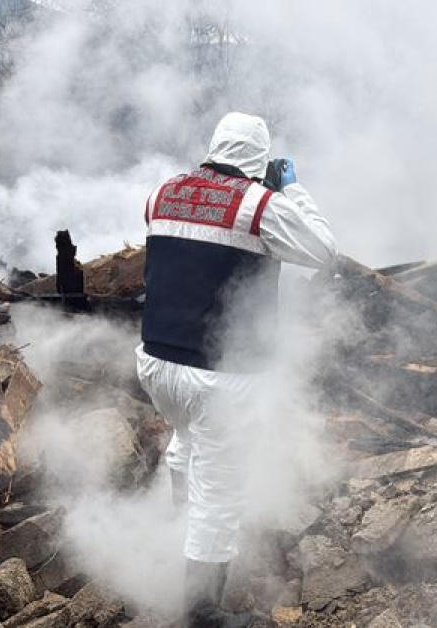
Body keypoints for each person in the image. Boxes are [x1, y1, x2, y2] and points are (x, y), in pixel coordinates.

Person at [134, 112, 336, 627]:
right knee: (221, 490)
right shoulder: (258, 205)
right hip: (217, 379)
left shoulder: (162, 194)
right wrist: (291, 188)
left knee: (186, 439)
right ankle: (201, 611)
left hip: (156, 364)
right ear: (259, 158)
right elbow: (322, 249)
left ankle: (174, 527)